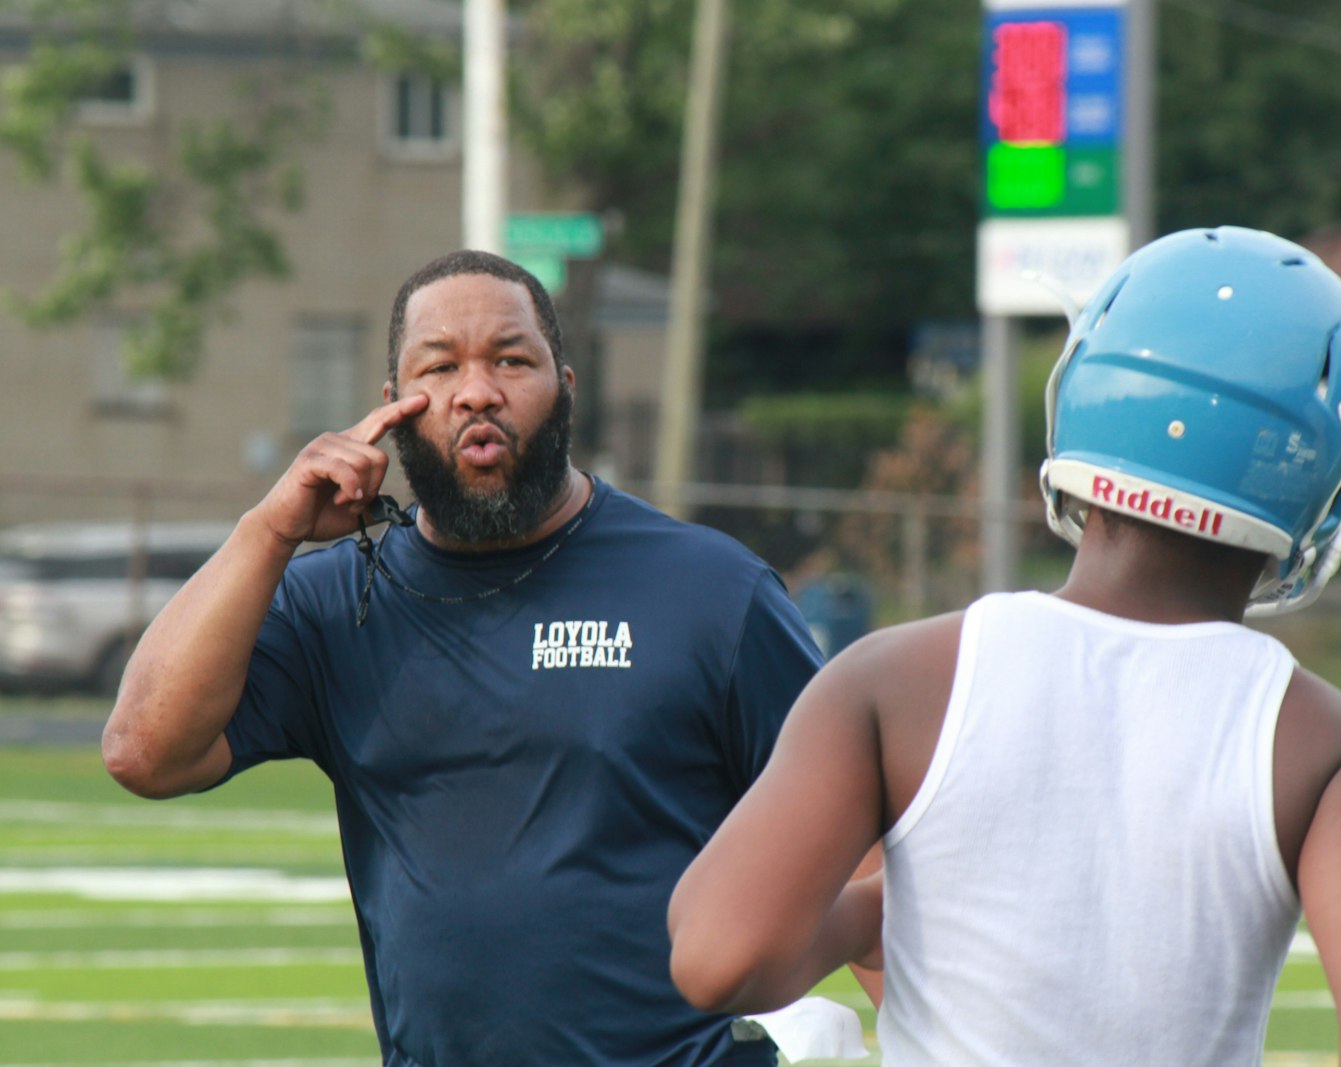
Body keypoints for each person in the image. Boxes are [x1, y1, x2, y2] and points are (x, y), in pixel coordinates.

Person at [669, 227, 1341, 1065]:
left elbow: (720, 957)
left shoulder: (890, 678)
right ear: (1326, 477)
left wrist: (872, 911)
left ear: (1083, 391)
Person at [102, 249, 826, 1066]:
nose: (476, 390)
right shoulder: (339, 602)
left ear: (565, 386)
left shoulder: (711, 589)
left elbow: (854, 834)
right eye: (439, 366)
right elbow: (144, 752)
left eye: (512, 360)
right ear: (392, 409)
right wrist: (266, 532)